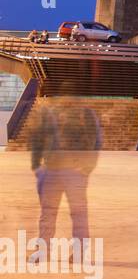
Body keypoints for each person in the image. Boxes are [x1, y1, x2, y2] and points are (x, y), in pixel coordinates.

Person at [28, 101, 101, 262]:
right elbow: (39, 138)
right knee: (69, 213)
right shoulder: (53, 113)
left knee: (54, 212)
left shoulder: (82, 114)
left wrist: (87, 167)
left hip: (66, 170)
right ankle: (75, 253)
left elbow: (95, 140)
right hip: (58, 170)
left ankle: (48, 251)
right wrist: (37, 165)